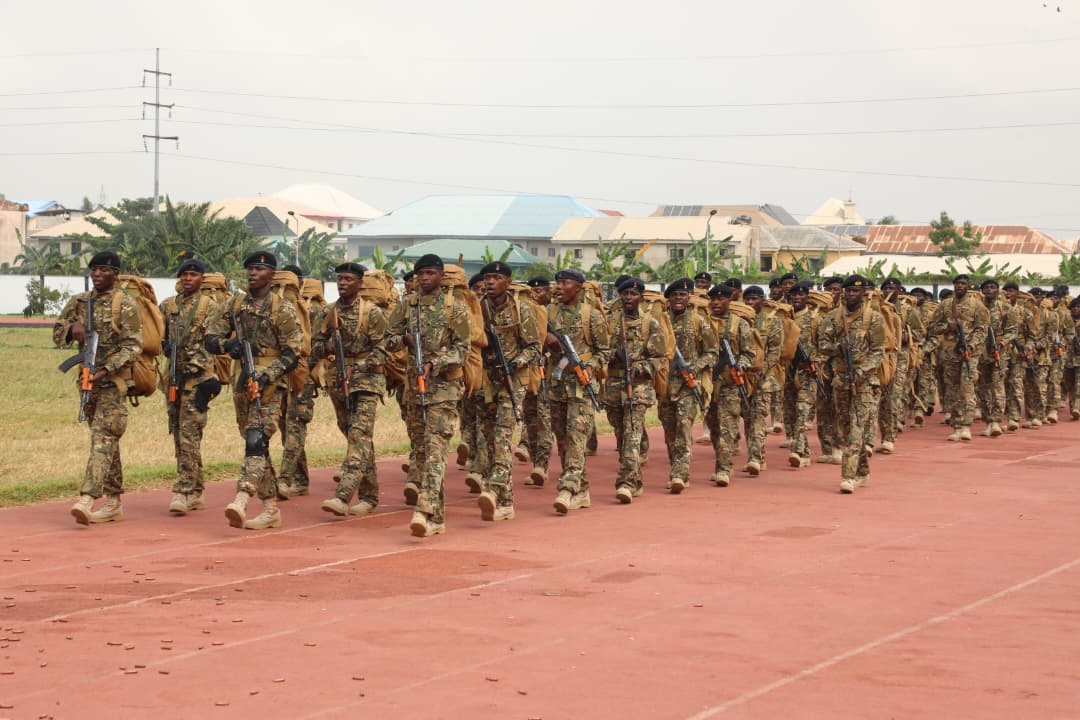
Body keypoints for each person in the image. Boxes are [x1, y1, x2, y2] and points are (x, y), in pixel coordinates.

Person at [205, 251, 305, 530]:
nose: (252, 273)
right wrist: (228, 346)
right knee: (256, 446)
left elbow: (293, 353)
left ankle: (242, 496)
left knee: (256, 439)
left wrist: (267, 376)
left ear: (271, 275)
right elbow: (210, 338)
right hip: (242, 381)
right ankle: (271, 507)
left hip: (271, 385)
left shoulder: (282, 309)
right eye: (250, 269)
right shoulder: (236, 304)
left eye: (259, 269)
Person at [385, 254, 471, 537]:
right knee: (422, 451)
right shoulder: (408, 305)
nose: (424, 278)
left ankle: (424, 509)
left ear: (440, 276)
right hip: (414, 388)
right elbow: (387, 338)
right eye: (420, 274)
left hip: (443, 388)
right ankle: (437, 517)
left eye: (430, 273)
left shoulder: (454, 307)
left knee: (436, 450)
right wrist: (404, 340)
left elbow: (463, 348)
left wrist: (438, 362)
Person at [54, 251, 142, 525]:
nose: (97, 274)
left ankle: (88, 497)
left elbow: (133, 346)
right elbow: (57, 334)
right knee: (107, 440)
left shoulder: (124, 304)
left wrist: (106, 369)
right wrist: (72, 328)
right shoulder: (79, 302)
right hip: (86, 381)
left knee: (102, 437)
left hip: (112, 383)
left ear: (115, 274)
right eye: (93, 269)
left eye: (103, 270)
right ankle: (114, 501)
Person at [315, 262, 388, 518]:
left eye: (348, 279)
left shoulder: (372, 313)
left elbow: (384, 349)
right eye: (340, 279)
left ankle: (343, 495)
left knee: (358, 436)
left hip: (367, 382)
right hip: (339, 381)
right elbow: (314, 346)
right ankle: (369, 496)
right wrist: (328, 348)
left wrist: (361, 365)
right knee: (355, 436)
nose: (343, 283)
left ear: (359, 284)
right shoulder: (327, 312)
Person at [475, 261, 541, 521]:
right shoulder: (478, 308)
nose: (490, 282)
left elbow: (534, 347)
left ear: (508, 282)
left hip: (513, 381)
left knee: (503, 435)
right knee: (490, 439)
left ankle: (492, 489)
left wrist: (515, 363)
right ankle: (506, 502)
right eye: (487, 277)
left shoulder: (521, 309)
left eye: (496, 277)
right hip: (487, 380)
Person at [545, 268, 611, 514]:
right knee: (562, 440)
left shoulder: (591, 316)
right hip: (556, 387)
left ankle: (567, 488)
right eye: (558, 283)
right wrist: (547, 339)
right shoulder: (548, 313)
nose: (559, 287)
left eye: (565, 283)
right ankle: (581, 490)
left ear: (579, 288)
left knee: (576, 437)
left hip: (581, 388)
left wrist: (590, 366)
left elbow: (605, 350)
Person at [160, 258, 223, 515]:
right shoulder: (168, 305)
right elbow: (158, 335)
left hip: (197, 380)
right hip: (173, 377)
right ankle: (196, 489)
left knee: (189, 434)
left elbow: (213, 342)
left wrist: (192, 366)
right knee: (179, 434)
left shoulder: (210, 307)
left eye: (193, 275)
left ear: (202, 278)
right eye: (184, 275)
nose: (188, 279)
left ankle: (184, 490)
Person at [818, 275, 885, 493]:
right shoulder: (833, 318)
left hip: (865, 382)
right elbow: (823, 345)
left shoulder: (873, 318)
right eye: (849, 291)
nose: (852, 294)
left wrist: (863, 370)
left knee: (857, 427)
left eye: (857, 291)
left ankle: (848, 476)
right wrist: (839, 347)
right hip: (841, 379)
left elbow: (878, 352)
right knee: (846, 427)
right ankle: (863, 471)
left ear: (864, 293)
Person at [604, 278, 667, 503]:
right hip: (613, 386)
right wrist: (613, 356)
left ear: (640, 297)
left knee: (632, 434)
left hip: (638, 387)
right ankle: (635, 477)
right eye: (624, 294)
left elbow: (660, 357)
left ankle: (626, 482)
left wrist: (641, 368)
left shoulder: (650, 323)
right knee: (621, 435)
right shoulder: (609, 321)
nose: (628, 298)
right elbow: (600, 350)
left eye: (632, 294)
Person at [659, 278, 717, 492]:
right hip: (666, 384)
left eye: (682, 295)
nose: (678, 299)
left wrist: (695, 367)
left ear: (689, 298)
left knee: (684, 427)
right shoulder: (660, 322)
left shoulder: (699, 321)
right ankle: (676, 467)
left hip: (688, 385)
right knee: (669, 431)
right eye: (674, 295)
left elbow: (712, 352)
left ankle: (679, 475)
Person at [277, 264, 323, 498]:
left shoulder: (311, 311)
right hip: (282, 377)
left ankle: (284, 478)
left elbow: (317, 346)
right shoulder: (279, 309)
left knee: (295, 426)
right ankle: (301, 478)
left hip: (303, 378)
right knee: (287, 428)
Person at [926, 275, 990, 441]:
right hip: (949, 354)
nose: (960, 286)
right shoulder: (945, 305)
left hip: (969, 354)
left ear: (968, 286)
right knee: (952, 390)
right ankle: (956, 424)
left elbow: (982, 329)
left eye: (963, 284)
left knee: (967, 388)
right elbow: (932, 328)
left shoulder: (977, 305)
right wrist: (948, 327)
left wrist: (971, 345)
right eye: (957, 284)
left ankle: (966, 425)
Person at [705, 283, 756, 487]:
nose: (716, 302)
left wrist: (740, 366)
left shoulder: (739, 324)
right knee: (714, 426)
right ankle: (722, 460)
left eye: (721, 299)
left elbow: (749, 353)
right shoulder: (704, 322)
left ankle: (723, 469)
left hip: (730, 383)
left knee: (727, 426)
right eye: (713, 299)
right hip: (708, 383)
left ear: (730, 301)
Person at [741, 285, 783, 475]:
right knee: (748, 419)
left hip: (764, 379)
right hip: (742, 378)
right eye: (747, 299)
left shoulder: (772, 322)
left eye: (754, 299)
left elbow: (775, 352)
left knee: (758, 417)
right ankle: (759, 454)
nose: (750, 302)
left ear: (762, 300)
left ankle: (755, 458)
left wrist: (762, 371)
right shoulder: (740, 321)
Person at [520, 276, 554, 487]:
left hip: (551, 376)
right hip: (530, 374)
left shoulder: (555, 314)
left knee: (544, 420)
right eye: (532, 291)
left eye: (540, 291)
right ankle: (536, 464)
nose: (536, 295)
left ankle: (542, 465)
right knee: (531, 419)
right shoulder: (525, 313)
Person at [783, 283, 820, 468]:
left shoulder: (815, 319)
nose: (797, 298)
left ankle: (797, 450)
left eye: (801, 295)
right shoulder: (784, 317)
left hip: (807, 371)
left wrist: (816, 361)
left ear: (807, 297)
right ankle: (803, 451)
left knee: (802, 410)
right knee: (789, 412)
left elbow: (825, 345)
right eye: (794, 295)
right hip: (788, 371)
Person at [976, 279, 1014, 437]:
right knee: (983, 388)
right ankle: (988, 421)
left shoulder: (1005, 307)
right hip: (980, 351)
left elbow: (1012, 330)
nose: (989, 290)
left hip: (999, 352)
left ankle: (996, 421)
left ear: (998, 290)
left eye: (992, 287)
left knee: (997, 386)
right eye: (986, 288)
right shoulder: (977, 307)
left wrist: (1001, 342)